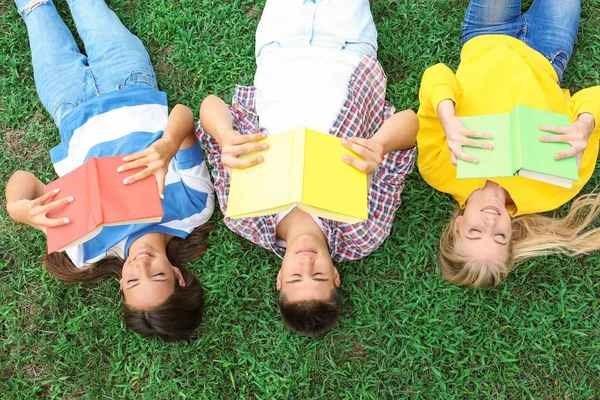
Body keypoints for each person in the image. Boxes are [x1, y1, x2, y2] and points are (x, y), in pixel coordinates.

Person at [198, 0, 418, 336]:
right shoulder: (362, 231)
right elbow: (410, 124)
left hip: (279, 47)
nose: (306, 262)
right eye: (317, 276)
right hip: (349, 47)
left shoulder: (245, 217)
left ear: (279, 279)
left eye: (296, 276)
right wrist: (380, 146)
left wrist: (226, 136)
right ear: (335, 277)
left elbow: (210, 105)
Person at [5, 0, 215, 341]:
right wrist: (167, 145)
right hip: (130, 81)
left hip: (67, 105)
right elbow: (184, 115)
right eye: (157, 275)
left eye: (132, 280)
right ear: (178, 275)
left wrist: (17, 208)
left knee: (34, 9)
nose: (141, 265)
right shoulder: (194, 209)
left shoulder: (86, 248)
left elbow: (24, 180)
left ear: (120, 286)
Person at [417, 0, 600, 288]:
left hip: (487, 35)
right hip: (549, 54)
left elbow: (436, 75)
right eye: (499, 237)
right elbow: (593, 97)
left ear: (457, 226)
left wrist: (447, 116)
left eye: (476, 232)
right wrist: (585, 125)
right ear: (512, 235)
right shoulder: (554, 188)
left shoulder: (437, 170)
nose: (490, 224)